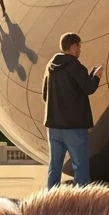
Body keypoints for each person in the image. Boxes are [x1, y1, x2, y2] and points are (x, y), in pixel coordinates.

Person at [42, 33, 102, 188]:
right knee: (80, 167)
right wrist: (96, 77)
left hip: (54, 127)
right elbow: (88, 88)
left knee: (54, 166)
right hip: (74, 127)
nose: (80, 49)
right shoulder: (75, 66)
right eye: (79, 46)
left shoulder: (51, 66)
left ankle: (51, 200)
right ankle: (81, 203)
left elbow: (44, 95)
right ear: (73, 46)